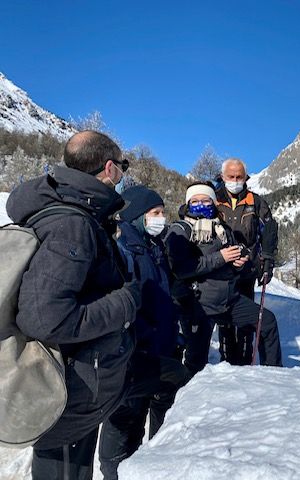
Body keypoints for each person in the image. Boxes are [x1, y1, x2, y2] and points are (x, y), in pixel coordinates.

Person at [6, 130, 139, 480]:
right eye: (123, 166)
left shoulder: (73, 212)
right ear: (109, 168)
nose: (123, 174)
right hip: (69, 388)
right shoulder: (72, 224)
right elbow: (45, 319)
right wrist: (125, 303)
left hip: (75, 378)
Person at [99, 186, 190, 480]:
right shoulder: (125, 251)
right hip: (134, 354)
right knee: (123, 423)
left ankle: (141, 466)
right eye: (155, 213)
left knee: (136, 423)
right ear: (138, 216)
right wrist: (143, 337)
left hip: (157, 348)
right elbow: (125, 306)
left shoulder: (152, 247)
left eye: (162, 212)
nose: (161, 218)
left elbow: (161, 299)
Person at [165, 181, 282, 375]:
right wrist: (221, 257)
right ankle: (186, 391)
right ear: (188, 204)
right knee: (196, 363)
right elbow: (181, 268)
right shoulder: (181, 230)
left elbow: (233, 257)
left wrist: (239, 262)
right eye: (195, 201)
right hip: (199, 306)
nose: (201, 204)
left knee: (267, 322)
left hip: (228, 301)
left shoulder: (222, 229)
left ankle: (275, 375)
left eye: (206, 200)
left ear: (213, 202)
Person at [214, 158, 278, 365]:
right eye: (231, 177)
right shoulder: (213, 199)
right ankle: (226, 362)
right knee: (225, 321)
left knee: (246, 321)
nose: (235, 181)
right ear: (223, 177)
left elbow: (269, 230)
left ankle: (244, 362)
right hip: (220, 271)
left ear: (245, 178)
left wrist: (267, 259)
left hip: (246, 270)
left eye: (239, 177)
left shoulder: (255, 201)